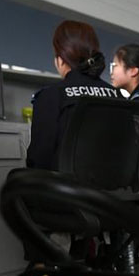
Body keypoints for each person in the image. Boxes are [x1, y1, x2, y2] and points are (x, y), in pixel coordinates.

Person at [27, 20, 119, 170]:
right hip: (111, 185)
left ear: (60, 59)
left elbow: (39, 159)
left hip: (63, 184)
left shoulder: (51, 96)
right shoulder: (118, 96)